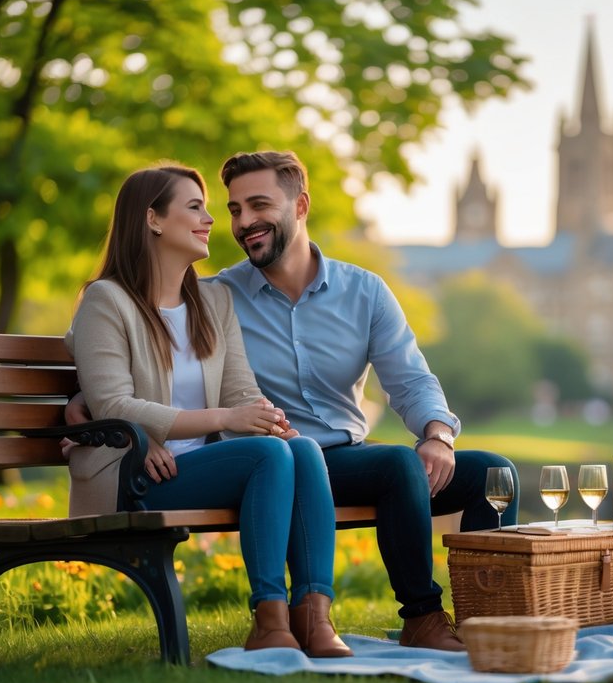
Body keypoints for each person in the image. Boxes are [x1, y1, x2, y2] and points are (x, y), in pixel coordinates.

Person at [214, 150, 520, 652]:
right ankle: (422, 617)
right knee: (397, 465)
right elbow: (135, 319)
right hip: (279, 463)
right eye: (234, 210)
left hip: (350, 457)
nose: (244, 222)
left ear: (300, 205)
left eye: (258, 205)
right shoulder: (218, 295)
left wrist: (438, 435)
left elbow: (412, 379)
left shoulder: (365, 292)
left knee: (493, 474)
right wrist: (86, 399)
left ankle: (485, 621)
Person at [65, 163, 351, 657]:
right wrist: (219, 421)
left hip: (192, 465)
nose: (211, 220)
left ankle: (312, 616)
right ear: (153, 219)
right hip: (133, 474)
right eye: (195, 207)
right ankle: (269, 615)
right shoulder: (106, 300)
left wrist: (264, 418)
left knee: (299, 449)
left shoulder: (212, 300)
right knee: (269, 457)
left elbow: (239, 391)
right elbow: (111, 401)